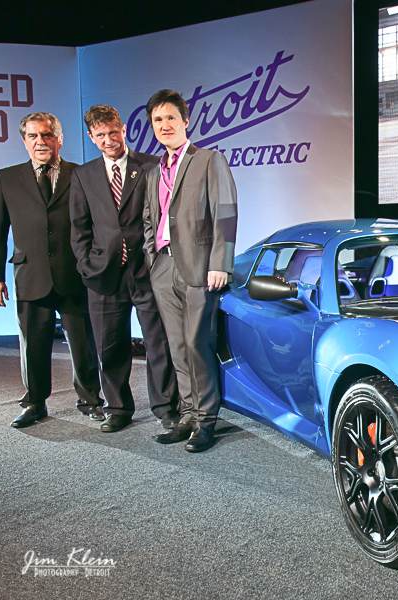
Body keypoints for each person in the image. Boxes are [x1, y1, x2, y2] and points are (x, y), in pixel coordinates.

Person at [0, 112, 103, 428]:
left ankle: (91, 400)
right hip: (30, 275)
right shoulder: (6, 178)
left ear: (59, 139)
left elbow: (97, 225)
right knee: (33, 345)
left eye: (47, 135)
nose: (41, 141)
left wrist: (95, 266)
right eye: (33, 136)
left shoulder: (81, 175)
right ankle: (35, 403)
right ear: (24, 141)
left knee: (83, 343)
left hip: (75, 275)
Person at [69, 104, 179, 433]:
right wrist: (87, 265)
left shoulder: (150, 165)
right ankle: (117, 407)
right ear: (91, 137)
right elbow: (79, 228)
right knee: (110, 346)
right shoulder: (83, 175)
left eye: (113, 132)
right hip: (104, 276)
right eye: (100, 135)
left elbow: (165, 216)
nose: (108, 140)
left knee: (158, 344)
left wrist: (161, 262)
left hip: (147, 272)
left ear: (124, 130)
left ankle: (165, 407)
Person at [142, 89, 238, 452]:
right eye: (157, 120)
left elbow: (225, 213)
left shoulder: (209, 160)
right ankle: (187, 414)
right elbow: (150, 218)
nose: (164, 125)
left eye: (170, 117)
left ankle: (206, 419)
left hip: (200, 267)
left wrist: (220, 263)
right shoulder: (155, 171)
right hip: (164, 266)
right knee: (177, 345)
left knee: (198, 344)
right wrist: (152, 257)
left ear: (186, 120)